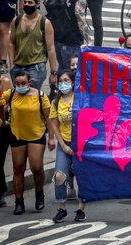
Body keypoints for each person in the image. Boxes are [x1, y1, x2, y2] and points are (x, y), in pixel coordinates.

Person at [0, 69, 51, 214]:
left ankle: (39, 194)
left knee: (37, 167)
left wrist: (51, 137)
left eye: (24, 83)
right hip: (17, 135)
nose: (21, 86)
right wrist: (3, 121)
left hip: (36, 135)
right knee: (18, 169)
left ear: (29, 82)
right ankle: (19, 201)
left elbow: (48, 118)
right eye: (18, 83)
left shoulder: (40, 96)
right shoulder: (10, 95)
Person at [48, 65, 84, 224]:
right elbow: (54, 125)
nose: (63, 84)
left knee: (83, 178)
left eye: (66, 80)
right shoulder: (56, 102)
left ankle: (81, 209)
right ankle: (62, 209)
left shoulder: (81, 98)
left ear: (73, 82)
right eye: (61, 81)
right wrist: (62, 146)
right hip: (65, 144)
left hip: (81, 144)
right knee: (59, 176)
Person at [10, 0, 57, 91]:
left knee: (32, 98)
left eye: (30, 2)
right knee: (18, 96)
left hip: (36, 67)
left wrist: (53, 72)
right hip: (18, 66)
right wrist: (11, 64)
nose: (27, 4)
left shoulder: (45, 23)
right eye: (25, 2)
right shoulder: (16, 20)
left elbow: (51, 48)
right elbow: (11, 42)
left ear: (37, 5)